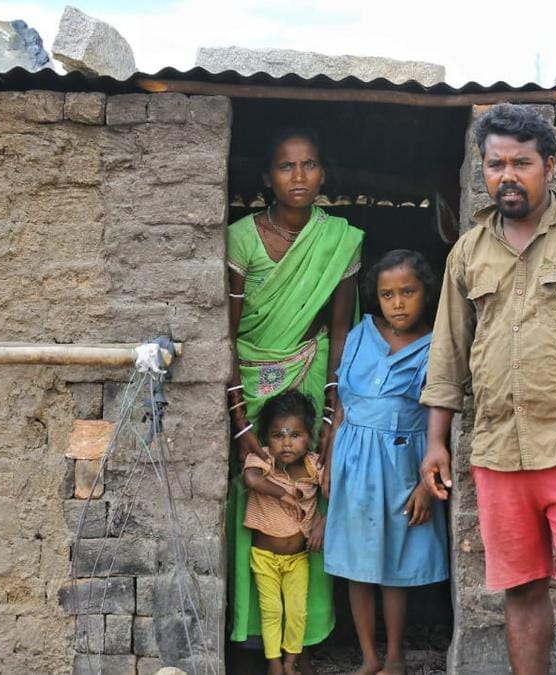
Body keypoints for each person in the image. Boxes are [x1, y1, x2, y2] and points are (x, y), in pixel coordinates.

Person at [419, 104, 556, 675]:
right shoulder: (468, 252)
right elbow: (447, 356)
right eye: (495, 164)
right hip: (499, 453)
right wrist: (436, 442)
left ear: (549, 166)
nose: (507, 176)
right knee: (520, 590)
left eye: (521, 163)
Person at [225, 128, 364, 665]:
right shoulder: (241, 238)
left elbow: (341, 331)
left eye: (309, 164)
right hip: (250, 384)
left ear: (323, 173)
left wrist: (331, 410)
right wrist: (242, 424)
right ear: (268, 177)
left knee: (312, 488)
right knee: (250, 493)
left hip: (311, 373)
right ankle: (254, 633)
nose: (299, 176)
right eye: (286, 166)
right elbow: (226, 336)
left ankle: (302, 640)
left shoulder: (341, 240)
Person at [323, 250, 450, 675]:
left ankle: (394, 656)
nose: (397, 303)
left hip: (403, 465)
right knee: (358, 564)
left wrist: (425, 487)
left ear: (426, 293)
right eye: (387, 294)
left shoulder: (437, 345)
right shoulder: (361, 334)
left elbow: (440, 419)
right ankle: (368, 656)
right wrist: (330, 461)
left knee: (395, 563)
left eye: (408, 292)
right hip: (353, 463)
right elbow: (342, 403)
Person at [244, 390, 327, 675]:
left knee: (297, 611)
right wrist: (283, 494)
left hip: (298, 559)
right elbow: (251, 479)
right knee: (271, 611)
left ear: (309, 437)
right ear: (267, 438)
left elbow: (339, 491)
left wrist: (322, 523)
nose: (287, 442)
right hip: (264, 557)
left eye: (296, 435)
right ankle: (274, 663)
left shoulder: (314, 465)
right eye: (278, 435)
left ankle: (291, 662)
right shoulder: (263, 459)